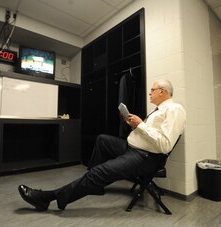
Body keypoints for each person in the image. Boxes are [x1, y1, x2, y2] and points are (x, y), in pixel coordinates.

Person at [18, 79, 186, 211]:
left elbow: (164, 145)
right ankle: (94, 185)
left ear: (162, 92)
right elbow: (149, 133)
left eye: (152, 90)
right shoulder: (158, 110)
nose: (150, 93)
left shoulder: (175, 110)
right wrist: (134, 124)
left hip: (146, 157)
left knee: (100, 171)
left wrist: (140, 125)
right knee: (102, 139)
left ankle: (48, 198)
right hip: (132, 147)